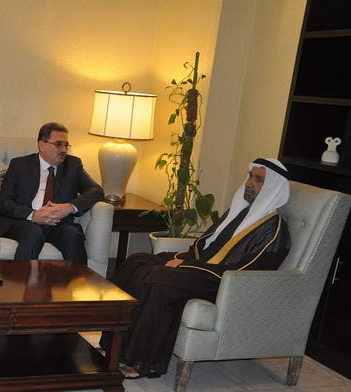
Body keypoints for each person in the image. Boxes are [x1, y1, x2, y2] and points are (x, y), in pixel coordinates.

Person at [112, 158, 291, 378]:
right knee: (137, 261)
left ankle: (144, 363)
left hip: (221, 281)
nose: (249, 183)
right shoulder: (240, 212)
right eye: (250, 177)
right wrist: (184, 260)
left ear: (273, 187)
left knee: (160, 278)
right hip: (200, 267)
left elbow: (244, 270)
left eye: (258, 179)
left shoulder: (274, 229)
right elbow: (205, 243)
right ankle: (115, 348)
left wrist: (187, 266)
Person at [0, 122, 104, 265]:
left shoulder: (73, 165)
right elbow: (4, 203)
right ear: (42, 145)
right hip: (24, 221)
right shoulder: (19, 165)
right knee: (33, 233)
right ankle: (20, 279)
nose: (64, 150)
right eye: (58, 144)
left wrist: (69, 207)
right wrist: (33, 215)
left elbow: (96, 191)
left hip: (57, 223)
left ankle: (78, 279)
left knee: (73, 236)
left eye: (66, 145)